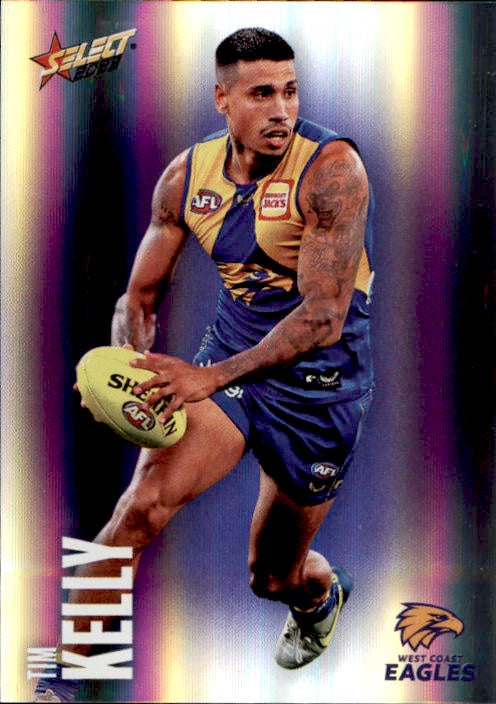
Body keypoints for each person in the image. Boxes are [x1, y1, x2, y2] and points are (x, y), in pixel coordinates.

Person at [35, 26, 374, 702]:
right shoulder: (187, 178)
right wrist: (130, 362)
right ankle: (58, 682)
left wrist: (207, 377)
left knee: (271, 578)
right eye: (261, 94)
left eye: (290, 91)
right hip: (231, 367)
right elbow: (139, 296)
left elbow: (322, 319)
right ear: (222, 100)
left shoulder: (332, 169)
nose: (281, 110)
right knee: (138, 510)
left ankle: (318, 594)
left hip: (320, 387)